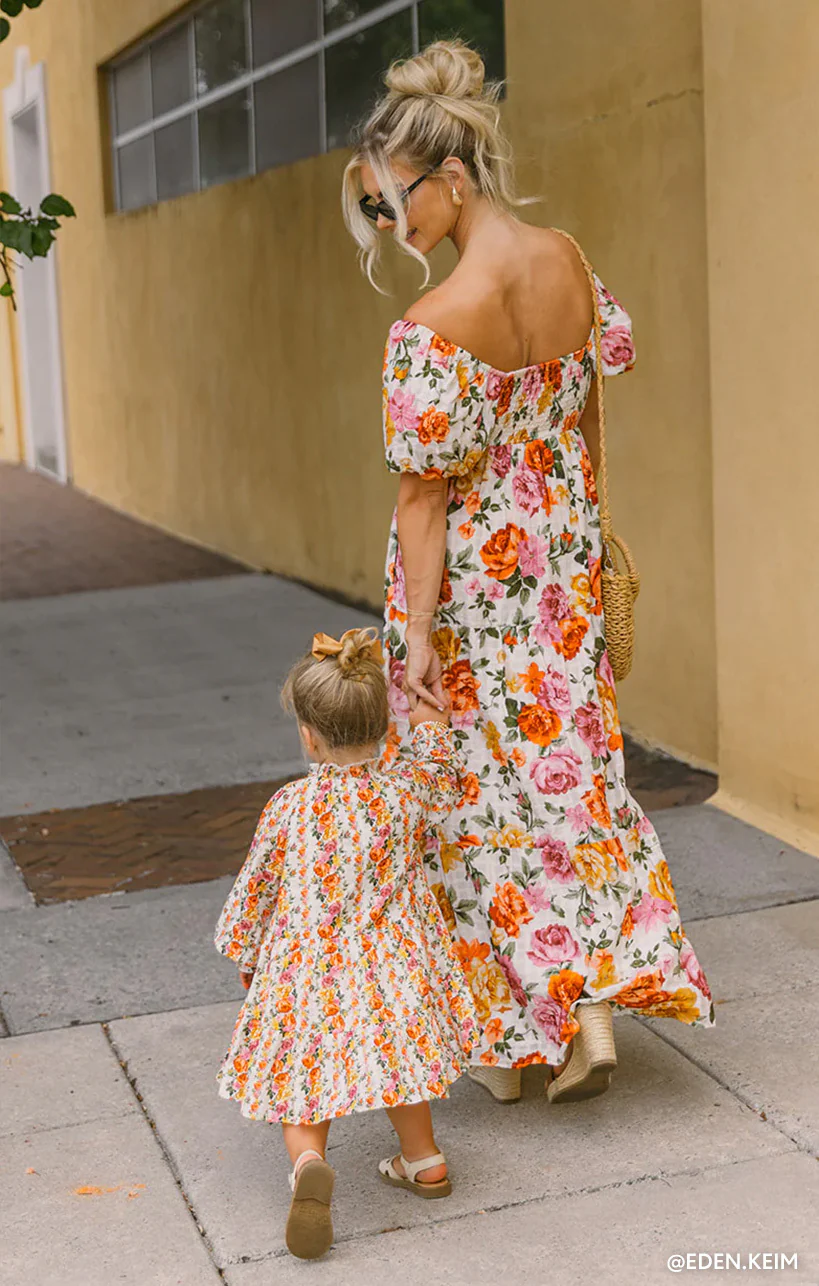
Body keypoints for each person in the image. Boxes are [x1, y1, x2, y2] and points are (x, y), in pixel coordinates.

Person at [342, 40, 713, 1106]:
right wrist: (584, 542)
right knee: (573, 778)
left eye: (391, 202)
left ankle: (515, 1034)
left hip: (472, 587)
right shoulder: (570, 261)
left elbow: (423, 497)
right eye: (375, 208)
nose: (387, 226)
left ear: (450, 177)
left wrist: (413, 633)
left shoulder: (429, 327)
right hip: (558, 565)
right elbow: (592, 409)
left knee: (479, 800)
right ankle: (582, 1007)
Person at [214, 627, 476, 1261]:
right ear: (388, 731)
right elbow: (442, 772)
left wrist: (247, 953)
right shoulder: (404, 793)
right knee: (402, 1062)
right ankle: (425, 1161)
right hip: (396, 966)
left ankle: (308, 1164)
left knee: (303, 1077)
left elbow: (259, 887)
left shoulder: (288, 807)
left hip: (309, 970)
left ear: (308, 735)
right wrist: (429, 713)